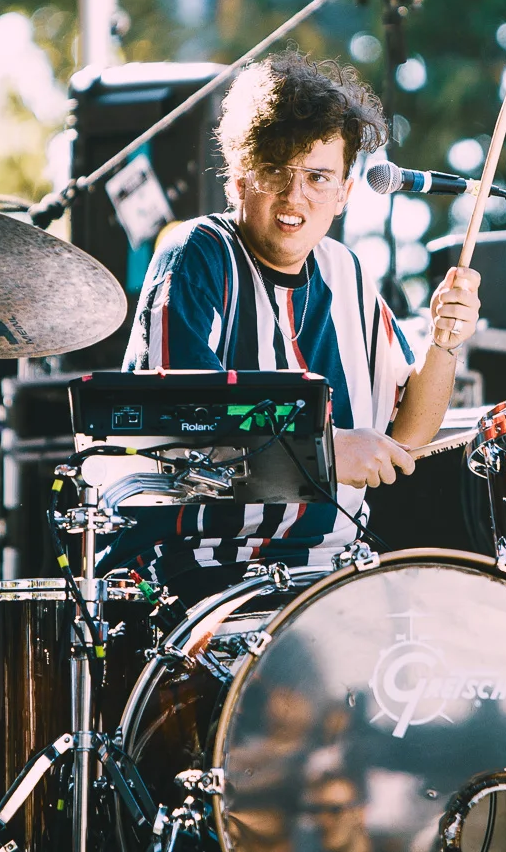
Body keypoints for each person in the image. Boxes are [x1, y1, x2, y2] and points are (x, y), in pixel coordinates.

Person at [97, 50, 481, 599]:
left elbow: (407, 435)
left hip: (330, 576)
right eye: (276, 170)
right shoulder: (198, 253)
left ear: (344, 193)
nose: (294, 196)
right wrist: (326, 452)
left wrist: (444, 342)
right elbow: (180, 422)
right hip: (201, 571)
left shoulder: (346, 273)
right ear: (239, 178)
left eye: (318, 177)